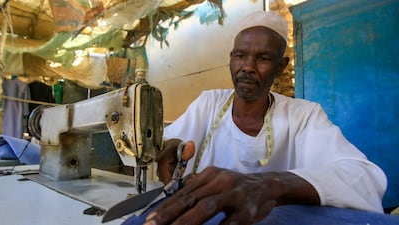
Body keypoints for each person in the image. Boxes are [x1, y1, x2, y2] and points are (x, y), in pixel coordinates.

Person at [145, 10, 387, 225]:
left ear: (281, 66)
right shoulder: (208, 103)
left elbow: (364, 177)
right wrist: (169, 147)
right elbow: (169, 144)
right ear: (231, 58)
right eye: (240, 56)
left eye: (263, 58)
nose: (248, 66)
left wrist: (267, 185)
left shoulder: (303, 116)